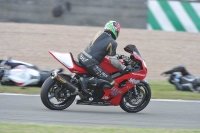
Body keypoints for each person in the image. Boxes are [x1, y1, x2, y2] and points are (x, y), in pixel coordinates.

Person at [77, 20, 132, 95]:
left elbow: (100, 50)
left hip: (82, 56)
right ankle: (86, 81)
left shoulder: (100, 34)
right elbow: (113, 61)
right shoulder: (112, 42)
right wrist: (123, 68)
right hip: (91, 63)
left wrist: (119, 56)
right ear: (115, 29)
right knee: (111, 82)